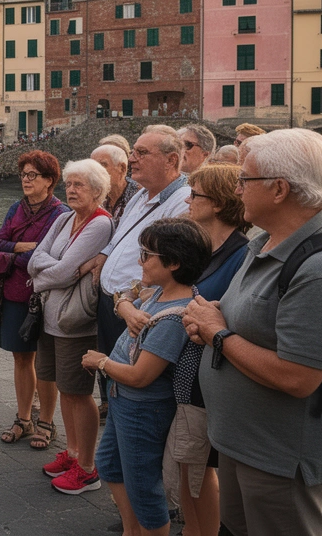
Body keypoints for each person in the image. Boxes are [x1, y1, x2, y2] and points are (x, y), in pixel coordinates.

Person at [183, 129, 322, 536]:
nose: (237, 189)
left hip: (277, 456)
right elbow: (255, 321)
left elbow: (298, 377)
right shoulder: (267, 243)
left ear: (279, 190)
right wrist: (215, 317)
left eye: (244, 180)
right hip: (242, 441)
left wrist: (218, 334)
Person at [83, 219, 211, 536]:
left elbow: (141, 376)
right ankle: (132, 530)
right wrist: (127, 307)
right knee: (110, 464)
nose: (140, 260)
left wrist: (102, 363)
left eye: (147, 254)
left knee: (143, 485)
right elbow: (125, 294)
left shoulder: (173, 317)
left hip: (142, 409)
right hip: (123, 401)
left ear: (174, 263)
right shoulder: (158, 294)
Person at [162, 163, 251, 536]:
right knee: (187, 463)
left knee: (198, 468)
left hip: (208, 374)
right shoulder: (206, 246)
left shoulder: (239, 254)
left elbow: (229, 313)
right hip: (189, 370)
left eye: (195, 194)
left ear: (216, 203)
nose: (187, 198)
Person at [80, 126, 191, 410]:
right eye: (133, 152)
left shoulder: (182, 201)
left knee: (128, 381)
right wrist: (104, 254)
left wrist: (130, 301)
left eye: (142, 153)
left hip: (136, 309)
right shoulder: (143, 194)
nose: (133, 159)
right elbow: (121, 235)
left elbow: (168, 263)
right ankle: (111, 411)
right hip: (115, 301)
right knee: (112, 379)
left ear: (172, 161)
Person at [27, 159, 113, 494]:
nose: (72, 190)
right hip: (52, 316)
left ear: (98, 191)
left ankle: (87, 469)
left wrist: (50, 273)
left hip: (74, 321)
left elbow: (58, 271)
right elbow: (38, 257)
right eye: (70, 183)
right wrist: (59, 270)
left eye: (80, 185)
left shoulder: (100, 225)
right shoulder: (64, 218)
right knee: (65, 387)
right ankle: (73, 452)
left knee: (78, 391)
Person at [0, 151, 69, 448]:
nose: (25, 180)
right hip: (14, 294)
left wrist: (14, 254)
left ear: (49, 181)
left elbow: (51, 256)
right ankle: (23, 419)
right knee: (21, 358)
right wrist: (23, 249)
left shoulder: (60, 214)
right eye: (23, 175)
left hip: (44, 296)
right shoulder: (15, 208)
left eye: (32, 175)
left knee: (46, 363)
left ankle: (47, 422)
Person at [92, 144, 141, 225]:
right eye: (93, 166)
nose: (95, 171)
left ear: (122, 168)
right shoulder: (94, 197)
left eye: (103, 165)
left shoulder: (139, 196)